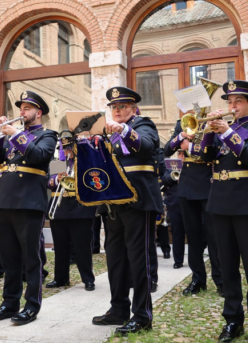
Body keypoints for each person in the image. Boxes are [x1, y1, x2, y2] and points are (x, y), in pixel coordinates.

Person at [194, 80, 248, 343]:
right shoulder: (218, 130)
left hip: (246, 202)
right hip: (220, 201)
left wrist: (227, 132)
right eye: (229, 102)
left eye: (237, 102)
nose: (232, 106)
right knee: (226, 267)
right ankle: (232, 321)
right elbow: (203, 157)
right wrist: (207, 130)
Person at [92, 86, 163, 335]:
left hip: (137, 201)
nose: (117, 110)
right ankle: (118, 309)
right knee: (115, 259)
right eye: (114, 107)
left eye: (122, 106)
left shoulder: (144, 125)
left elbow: (145, 146)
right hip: (112, 203)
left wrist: (124, 129)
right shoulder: (108, 133)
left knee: (138, 259)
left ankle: (142, 314)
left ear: (134, 108)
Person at [0, 91, 57, 325]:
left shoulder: (47, 135)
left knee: (31, 258)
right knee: (8, 257)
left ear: (39, 112)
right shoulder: (11, 138)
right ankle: (9, 302)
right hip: (3, 200)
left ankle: (31, 305)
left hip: (28, 201)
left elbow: (38, 157)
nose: (22, 112)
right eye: (21, 108)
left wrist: (15, 134)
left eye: (27, 108)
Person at [164, 113, 223, 296]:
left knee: (213, 237)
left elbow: (212, 152)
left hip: (208, 185)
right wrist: (182, 136)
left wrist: (190, 146)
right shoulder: (181, 124)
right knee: (193, 237)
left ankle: (221, 281)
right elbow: (167, 150)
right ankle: (198, 279)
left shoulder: (212, 124)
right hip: (187, 186)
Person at [46, 135, 96, 291]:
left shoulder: (86, 163)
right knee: (60, 247)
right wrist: (57, 179)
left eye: (70, 147)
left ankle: (88, 279)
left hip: (80, 209)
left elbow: (93, 181)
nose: (68, 151)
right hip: (60, 208)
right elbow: (49, 182)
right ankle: (60, 278)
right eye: (65, 148)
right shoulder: (59, 163)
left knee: (82, 247)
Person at [159, 150, 185, 269]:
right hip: (174, 203)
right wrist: (173, 176)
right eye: (180, 154)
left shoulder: (192, 167)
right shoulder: (170, 168)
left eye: (184, 155)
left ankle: (195, 259)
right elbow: (164, 180)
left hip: (189, 203)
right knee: (177, 233)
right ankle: (178, 260)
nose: (181, 157)